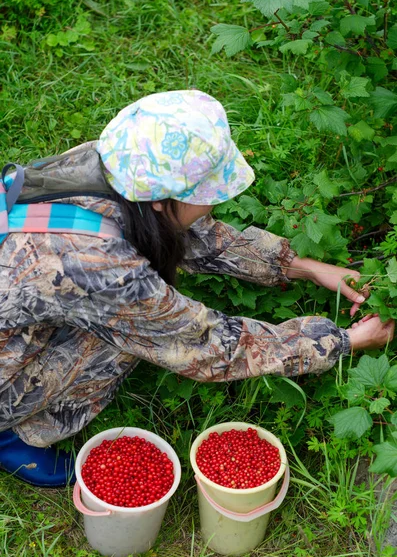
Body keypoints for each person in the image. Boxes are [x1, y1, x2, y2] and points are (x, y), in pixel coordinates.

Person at [0, 90, 394, 487]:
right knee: (132, 335)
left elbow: (184, 233)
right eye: (206, 197)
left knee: (128, 315)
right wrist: (342, 341)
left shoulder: (111, 162)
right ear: (159, 199)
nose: (212, 206)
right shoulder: (98, 267)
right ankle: (12, 434)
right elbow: (206, 344)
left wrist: (303, 267)